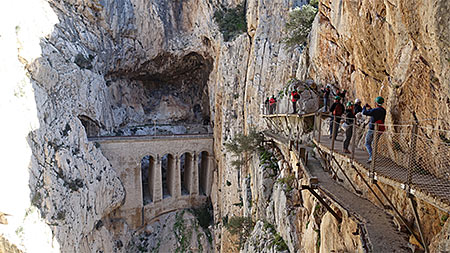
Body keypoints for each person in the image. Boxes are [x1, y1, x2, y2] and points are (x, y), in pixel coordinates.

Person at [363, 96, 386, 163]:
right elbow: (376, 113)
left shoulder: (375, 110)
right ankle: (373, 157)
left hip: (372, 129)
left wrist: (364, 107)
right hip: (379, 129)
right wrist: (371, 109)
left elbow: (364, 112)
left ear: (376, 103)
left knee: (367, 143)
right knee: (374, 143)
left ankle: (371, 156)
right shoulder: (383, 110)